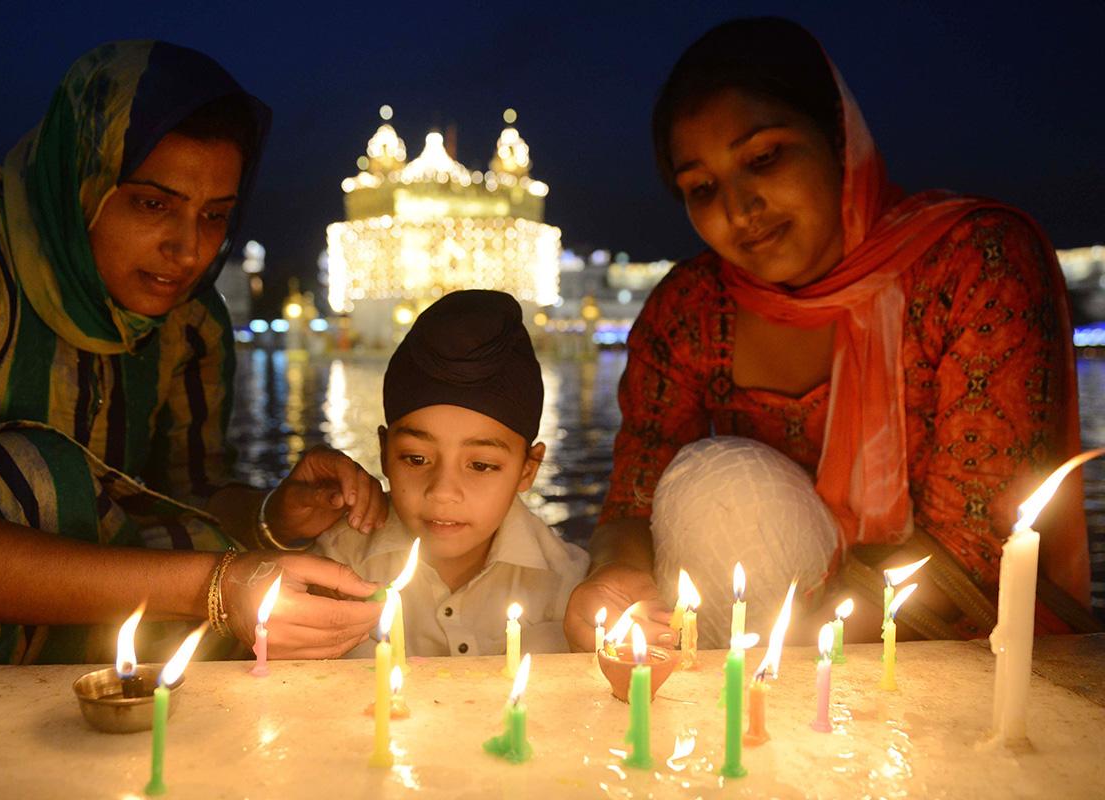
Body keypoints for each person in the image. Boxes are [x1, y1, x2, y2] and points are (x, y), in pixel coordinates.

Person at [565, 17, 1097, 651]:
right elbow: (634, 502)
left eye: (763, 158)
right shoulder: (691, 309)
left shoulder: (974, 261)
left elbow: (982, 540)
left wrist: (793, 654)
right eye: (702, 188)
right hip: (762, 634)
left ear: (841, 139)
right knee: (712, 483)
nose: (739, 208)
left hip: (953, 633)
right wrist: (612, 575)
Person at [0, 40, 390, 664]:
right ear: (83, 181)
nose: (188, 250)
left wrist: (276, 514)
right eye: (152, 204)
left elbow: (188, 496)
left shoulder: (190, 320)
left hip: (111, 626)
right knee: (31, 474)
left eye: (215, 216)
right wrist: (216, 588)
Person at [305, 290, 589, 657]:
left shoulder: (568, 586)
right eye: (416, 459)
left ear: (527, 469)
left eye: (481, 465)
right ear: (384, 452)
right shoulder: (336, 566)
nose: (443, 491)